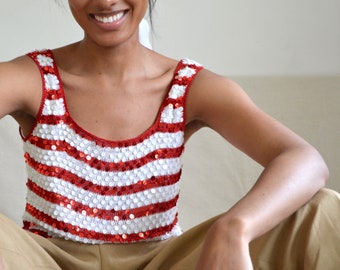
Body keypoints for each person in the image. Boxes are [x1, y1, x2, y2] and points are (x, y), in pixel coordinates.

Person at [0, 1, 339, 269]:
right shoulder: (32, 77)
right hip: (45, 261)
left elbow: (304, 159)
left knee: (322, 209)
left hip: (161, 263)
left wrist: (235, 228)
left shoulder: (188, 85)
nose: (105, 1)